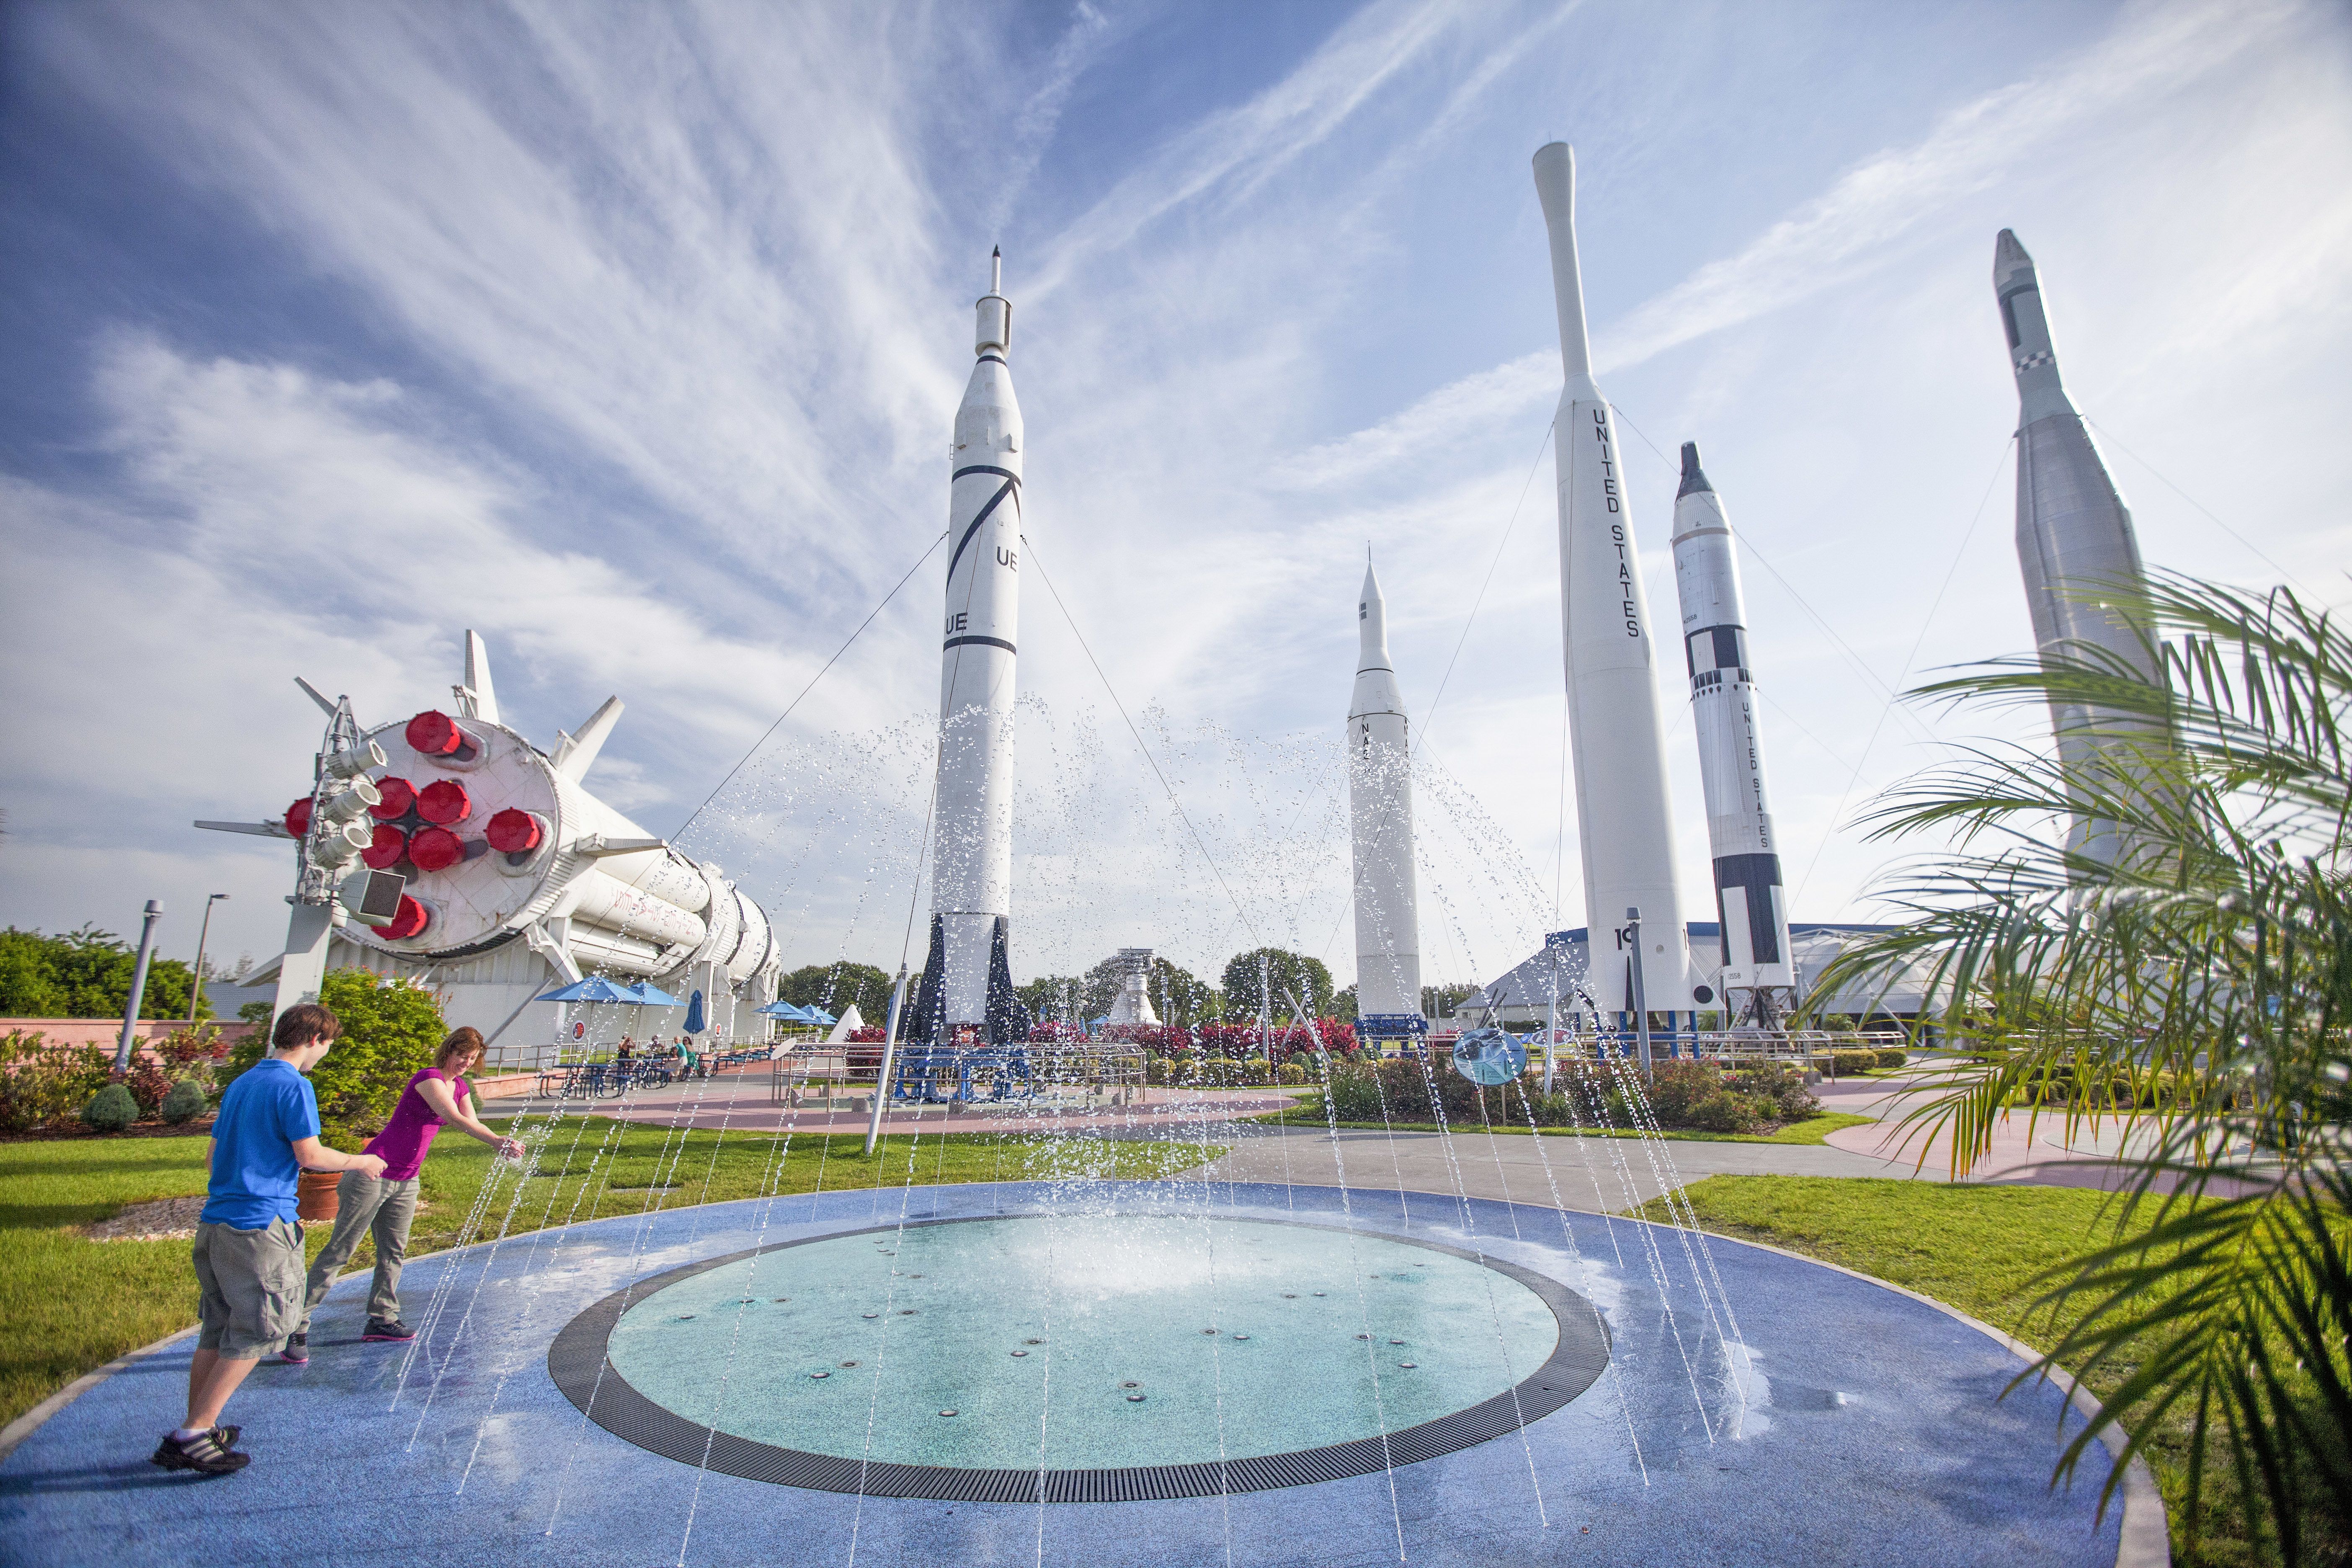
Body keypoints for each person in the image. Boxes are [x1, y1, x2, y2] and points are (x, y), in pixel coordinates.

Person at [154, 1003, 385, 1476]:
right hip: (260, 1228)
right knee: (264, 1329)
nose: (324, 1054)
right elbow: (311, 1155)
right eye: (328, 1045)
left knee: (218, 1329)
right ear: (316, 1039)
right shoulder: (293, 1085)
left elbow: (212, 1156)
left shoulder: (243, 1083)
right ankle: (195, 1432)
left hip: (217, 1221)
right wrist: (363, 1161)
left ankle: (196, 1426)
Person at [283, 1026, 521, 1363]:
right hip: (373, 1172)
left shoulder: (461, 1086)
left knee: (393, 1252)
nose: (466, 1064)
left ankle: (382, 1318)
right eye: (461, 1057)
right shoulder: (429, 1078)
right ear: (448, 1052)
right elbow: (450, 1117)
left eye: (472, 1059)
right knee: (341, 1250)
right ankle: (297, 1325)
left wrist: (502, 1141)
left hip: (408, 1180)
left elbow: (474, 1122)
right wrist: (497, 1143)